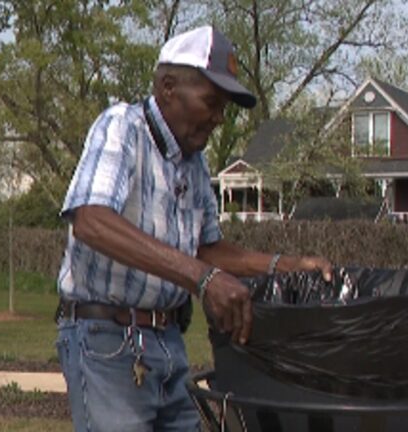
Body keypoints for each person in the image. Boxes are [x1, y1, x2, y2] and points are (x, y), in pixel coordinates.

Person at [54, 25, 333, 432]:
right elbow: (91, 220)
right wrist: (204, 280)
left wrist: (283, 265)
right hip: (107, 340)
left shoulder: (194, 163)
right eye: (211, 102)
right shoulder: (122, 128)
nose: (220, 118)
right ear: (168, 88)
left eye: (224, 107)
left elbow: (206, 249)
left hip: (167, 341)